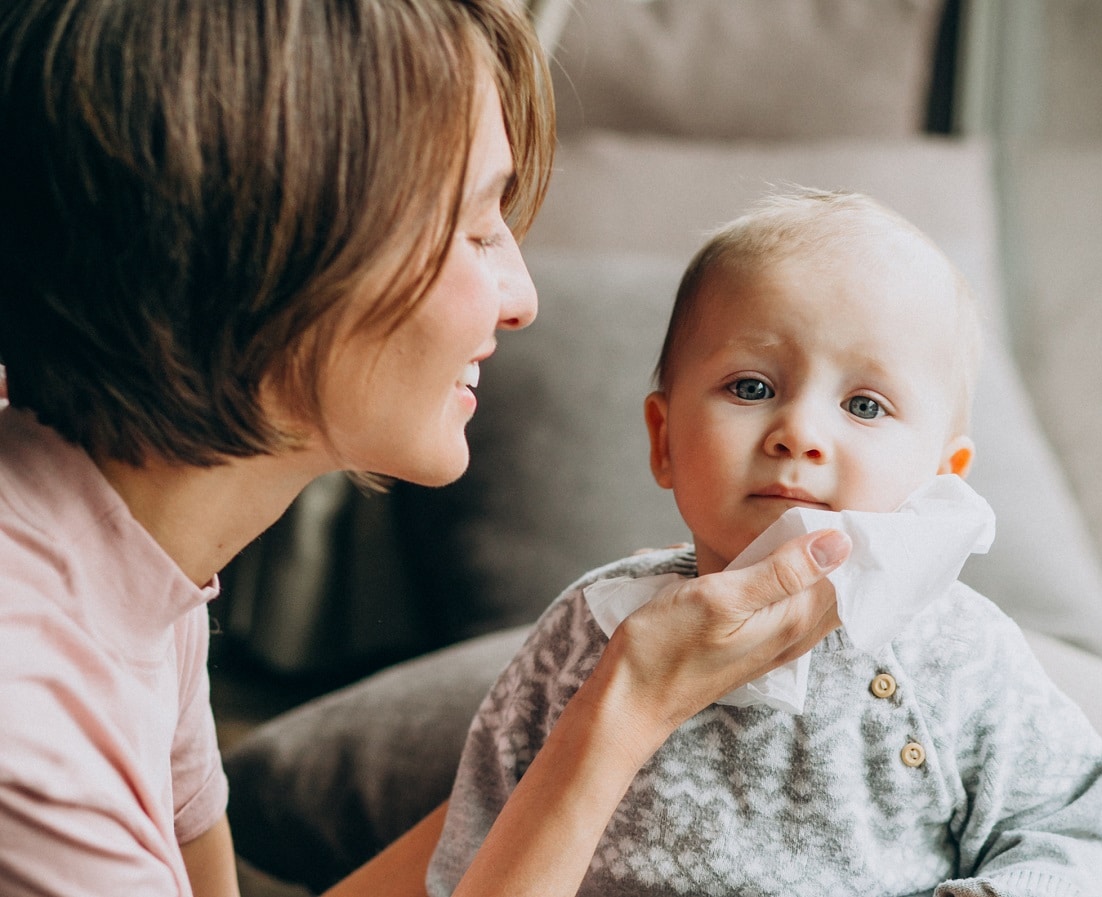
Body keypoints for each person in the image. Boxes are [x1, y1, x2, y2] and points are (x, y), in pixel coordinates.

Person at [0, 3, 850, 896]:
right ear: (269, 252)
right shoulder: (32, 731)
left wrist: (575, 736)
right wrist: (625, 708)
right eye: (477, 229)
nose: (519, 297)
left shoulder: (125, 553)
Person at [427, 190, 1102, 896]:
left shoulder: (960, 652)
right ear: (663, 440)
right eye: (752, 386)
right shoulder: (592, 630)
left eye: (863, 405)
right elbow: (479, 836)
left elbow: (1061, 828)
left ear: (940, 478)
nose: (800, 432)